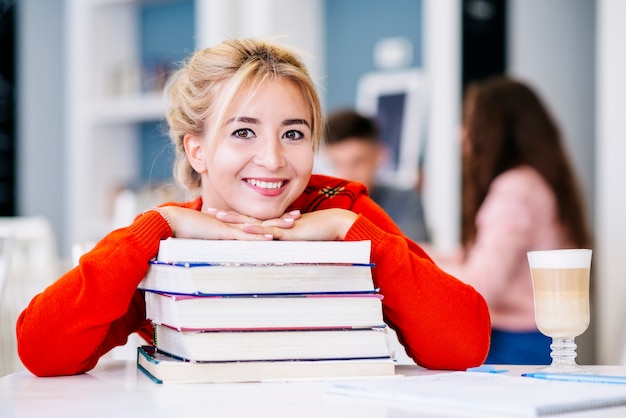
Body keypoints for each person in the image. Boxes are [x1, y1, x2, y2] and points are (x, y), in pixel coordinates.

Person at [16, 38, 490, 377]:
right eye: (243, 131)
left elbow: (464, 344)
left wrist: (349, 227)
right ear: (197, 150)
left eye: (294, 133)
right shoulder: (165, 243)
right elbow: (42, 351)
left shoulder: (342, 208)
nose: (273, 158)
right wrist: (157, 224)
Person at [425, 76, 591, 365]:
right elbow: (476, 259)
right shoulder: (537, 182)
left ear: (494, 131)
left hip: (513, 343)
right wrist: (417, 253)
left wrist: (413, 268)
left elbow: (479, 286)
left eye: (469, 121)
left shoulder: (514, 190)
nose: (459, 133)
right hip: (532, 338)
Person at [323, 109, 429, 243]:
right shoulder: (318, 206)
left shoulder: (404, 201)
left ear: (379, 156)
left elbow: (413, 255)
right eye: (336, 164)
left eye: (357, 162)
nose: (346, 175)